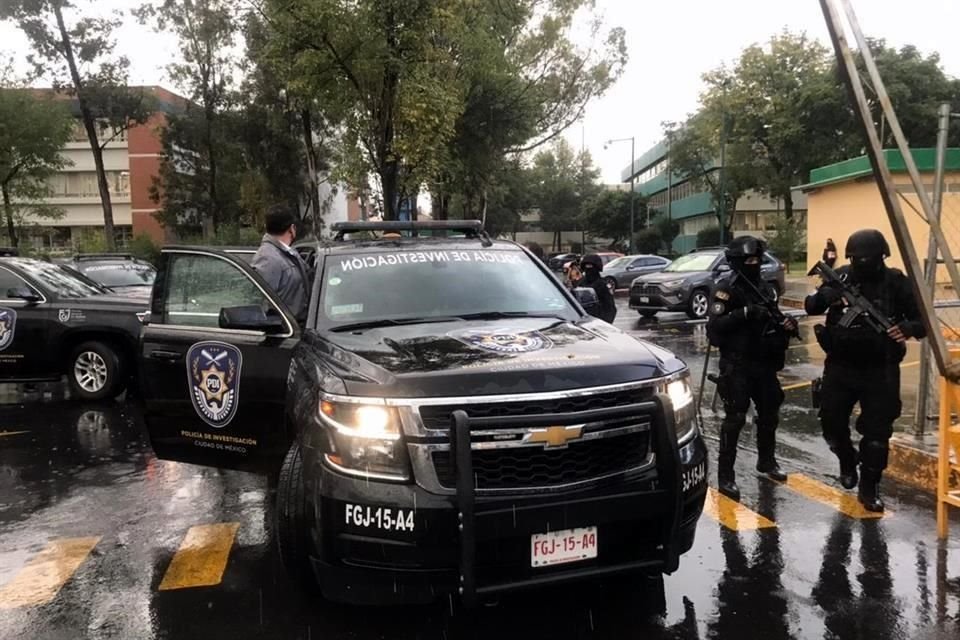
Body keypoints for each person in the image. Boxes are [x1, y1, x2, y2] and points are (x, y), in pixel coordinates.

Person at [804, 229, 925, 512]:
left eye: (868, 258)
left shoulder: (896, 282)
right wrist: (827, 296)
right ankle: (847, 459)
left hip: (881, 369)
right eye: (856, 259)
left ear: (882, 256)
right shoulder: (841, 277)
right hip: (841, 366)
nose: (862, 263)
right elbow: (811, 306)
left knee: (877, 435)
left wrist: (907, 328)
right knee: (831, 424)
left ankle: (869, 487)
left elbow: (923, 320)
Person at [707, 236, 797, 500]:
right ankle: (726, 475)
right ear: (737, 262)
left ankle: (767, 461)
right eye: (749, 260)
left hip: (764, 362)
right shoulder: (725, 290)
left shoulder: (765, 288)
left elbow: (774, 317)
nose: (754, 264)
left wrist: (787, 325)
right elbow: (714, 329)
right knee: (735, 419)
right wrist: (743, 314)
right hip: (737, 364)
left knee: (769, 414)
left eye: (757, 259)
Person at [251, 204, 310, 324]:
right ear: (292, 228)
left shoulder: (287, 252)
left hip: (297, 324)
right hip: (286, 328)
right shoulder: (267, 259)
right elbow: (262, 304)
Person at [577, 254, 617, 324]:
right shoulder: (581, 283)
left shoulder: (603, 285)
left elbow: (610, 308)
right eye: (586, 266)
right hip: (584, 321)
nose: (588, 269)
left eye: (590, 266)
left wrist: (605, 323)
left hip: (599, 321)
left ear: (597, 267)